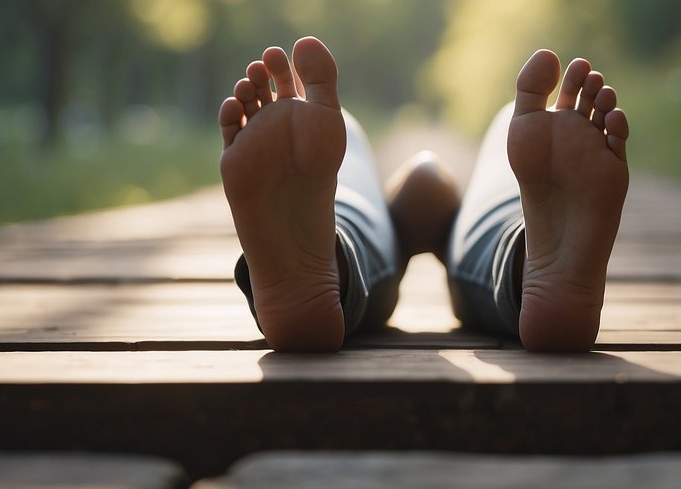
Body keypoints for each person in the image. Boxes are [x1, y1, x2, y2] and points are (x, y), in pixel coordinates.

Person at [218, 36, 629, 353]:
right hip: (484, 247)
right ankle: (523, 263)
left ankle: (336, 262)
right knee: (510, 137)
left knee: (349, 153)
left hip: (361, 248)